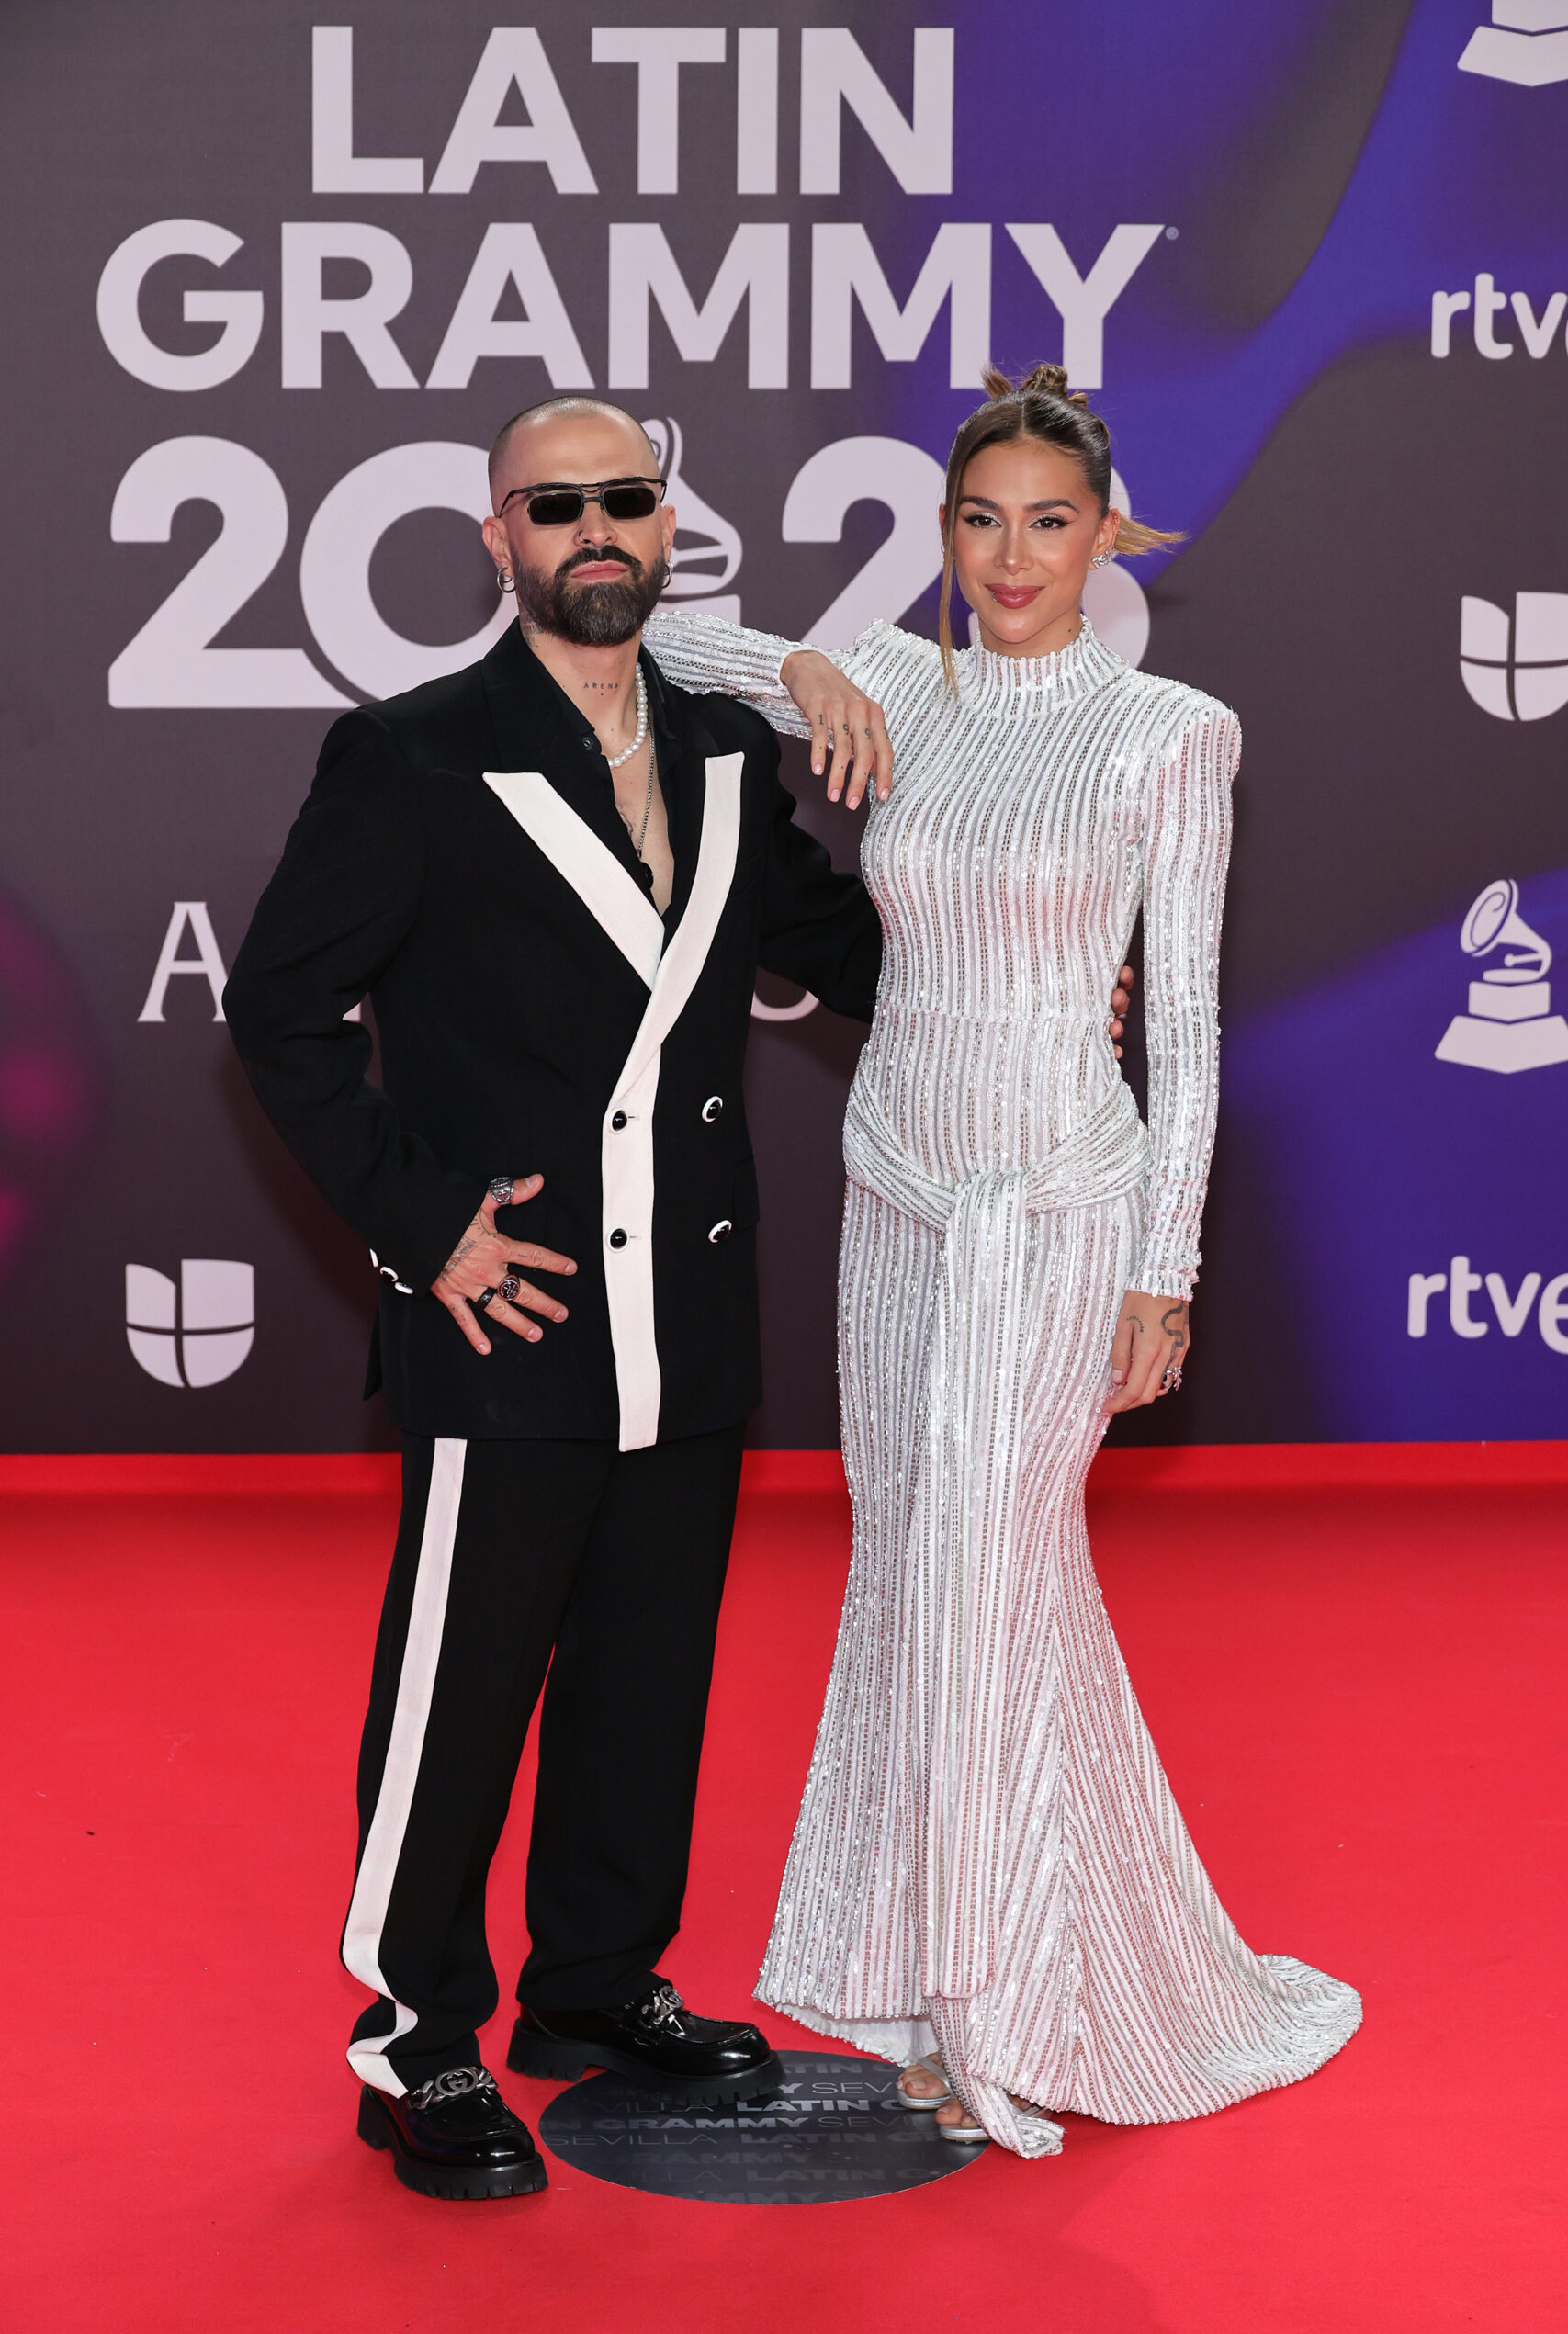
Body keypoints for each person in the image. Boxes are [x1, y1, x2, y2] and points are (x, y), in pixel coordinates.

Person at [225, 389, 1139, 2199]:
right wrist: (429, 1234)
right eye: (550, 505)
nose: (590, 532)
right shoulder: (406, 757)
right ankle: (414, 2040)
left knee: (648, 1676)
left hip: (693, 1310)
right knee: (458, 1689)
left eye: (622, 500)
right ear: (494, 537)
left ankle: (589, 1987)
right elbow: (279, 1013)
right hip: (516, 1317)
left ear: (663, 525)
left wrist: (1026, 994)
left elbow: (822, 941)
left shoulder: (725, 746)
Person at [644, 364, 1361, 2156]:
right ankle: (930, 1974)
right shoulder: (901, 675)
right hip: (891, 1189)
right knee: (912, 1566)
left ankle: (1007, 1999)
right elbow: (661, 643)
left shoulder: (1165, 731)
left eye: (1050, 519)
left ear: (1107, 533)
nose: (1013, 553)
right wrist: (809, 662)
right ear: (942, 534)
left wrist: (1160, 1269)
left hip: (1056, 1206)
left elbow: (1179, 1028)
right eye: (980, 519)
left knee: (994, 1555)